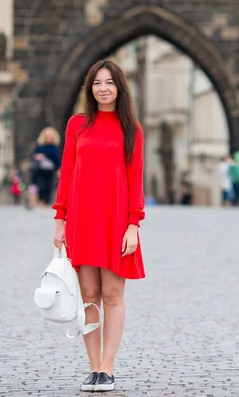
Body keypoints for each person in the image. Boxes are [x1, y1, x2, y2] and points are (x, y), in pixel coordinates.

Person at [52, 59, 145, 392]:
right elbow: (67, 173)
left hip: (116, 220)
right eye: (96, 83)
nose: (103, 88)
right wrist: (60, 219)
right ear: (89, 88)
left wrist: (133, 224)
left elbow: (135, 180)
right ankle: (93, 367)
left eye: (109, 82)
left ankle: (108, 368)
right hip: (82, 218)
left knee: (112, 295)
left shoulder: (131, 129)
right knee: (89, 295)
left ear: (119, 87)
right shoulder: (77, 125)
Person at [31, 127, 61, 207]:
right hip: (40, 170)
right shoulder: (39, 146)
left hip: (50, 171)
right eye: (47, 137)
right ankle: (41, 202)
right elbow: (33, 156)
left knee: (49, 187)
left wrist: (59, 169)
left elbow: (57, 160)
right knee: (41, 186)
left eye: (51, 137)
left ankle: (46, 203)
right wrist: (37, 156)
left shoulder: (55, 147)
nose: (49, 139)